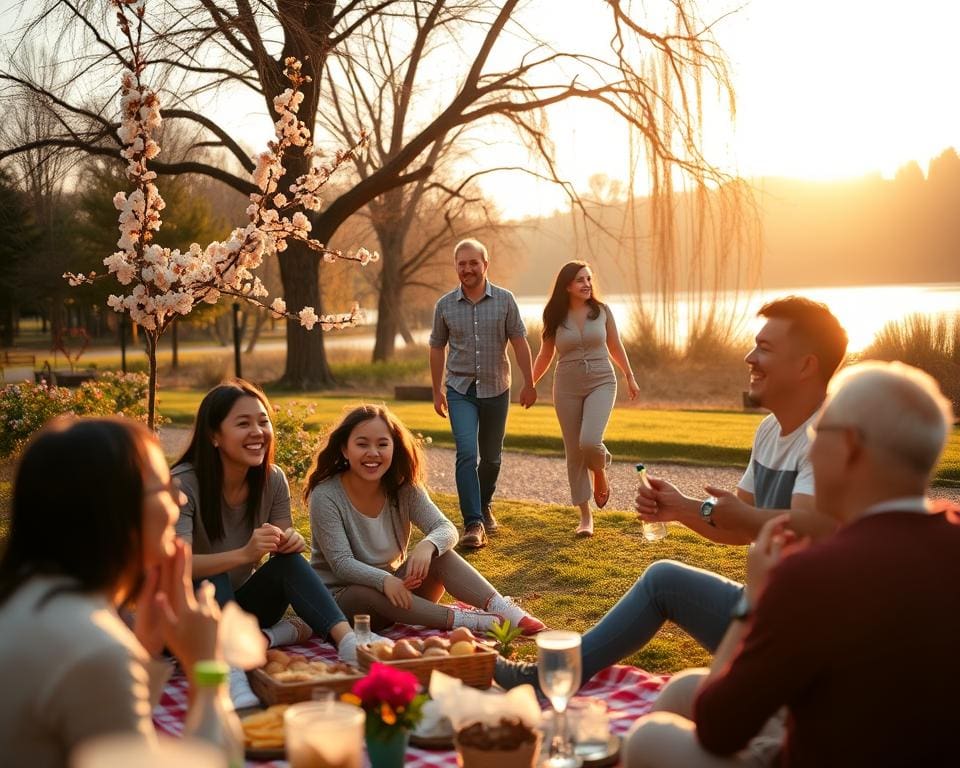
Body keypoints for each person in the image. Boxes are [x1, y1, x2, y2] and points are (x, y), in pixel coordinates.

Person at [495, 296, 848, 691]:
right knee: (663, 581)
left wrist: (733, 515)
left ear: (806, 366)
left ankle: (546, 678)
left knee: (667, 596)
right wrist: (680, 508)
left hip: (804, 633)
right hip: (761, 608)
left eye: (764, 348)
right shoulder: (769, 430)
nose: (749, 357)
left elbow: (812, 527)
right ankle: (549, 676)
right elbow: (737, 526)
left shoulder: (830, 436)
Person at [623, 361, 960, 767]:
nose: (811, 450)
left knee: (648, 738)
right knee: (683, 689)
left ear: (850, 447)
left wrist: (754, 602)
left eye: (819, 433)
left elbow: (719, 726)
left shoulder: (814, 573)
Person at [0, 417, 220, 767]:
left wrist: (143, 654)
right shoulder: (93, 649)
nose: (179, 499)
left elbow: (104, 737)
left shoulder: (27, 598)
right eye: (164, 487)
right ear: (112, 509)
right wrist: (205, 670)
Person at [173, 380, 372, 707]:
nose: (258, 432)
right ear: (213, 435)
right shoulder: (183, 484)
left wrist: (291, 540)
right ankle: (231, 673)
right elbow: (177, 565)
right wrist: (244, 554)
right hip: (188, 617)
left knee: (289, 563)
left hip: (239, 610)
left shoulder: (272, 479)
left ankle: (349, 644)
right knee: (212, 578)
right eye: (243, 423)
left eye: (263, 422)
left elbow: (282, 539)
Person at [304, 403, 545, 635]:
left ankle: (505, 610)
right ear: (345, 449)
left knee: (440, 552)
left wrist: (428, 545)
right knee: (361, 594)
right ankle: (473, 621)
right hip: (345, 604)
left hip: (400, 595)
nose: (373, 453)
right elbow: (342, 563)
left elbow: (445, 528)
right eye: (362, 444)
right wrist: (384, 580)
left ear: (394, 448)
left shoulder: (404, 487)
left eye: (382, 444)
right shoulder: (325, 495)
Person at [429, 238, 538, 549]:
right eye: (461, 264)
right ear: (456, 267)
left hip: (496, 387)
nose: (467, 269)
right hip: (459, 389)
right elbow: (436, 347)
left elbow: (519, 342)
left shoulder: (505, 300)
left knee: (491, 458)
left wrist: (529, 383)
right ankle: (473, 522)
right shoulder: (445, 305)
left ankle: (484, 502)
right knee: (466, 452)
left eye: (473, 263)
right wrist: (436, 390)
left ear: (485, 265)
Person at [531, 261, 639, 536]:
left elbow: (615, 345)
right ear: (567, 285)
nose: (587, 284)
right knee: (574, 451)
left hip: (601, 381)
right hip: (566, 386)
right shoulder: (554, 315)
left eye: (589, 279)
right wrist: (530, 384)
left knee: (589, 441)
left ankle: (599, 470)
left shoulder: (602, 311)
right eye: (580, 279)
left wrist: (629, 375)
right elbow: (545, 354)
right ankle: (585, 516)